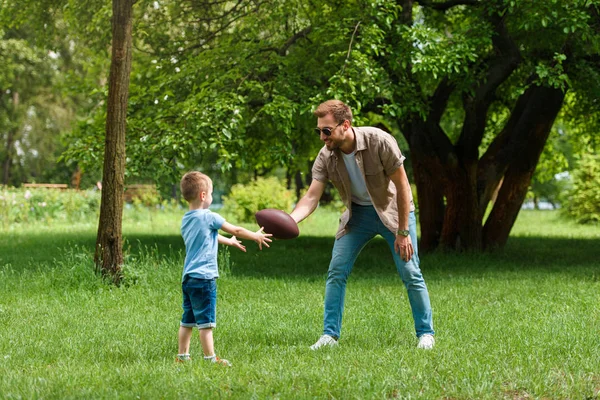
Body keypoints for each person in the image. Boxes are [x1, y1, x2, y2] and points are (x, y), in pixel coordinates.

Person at [289, 100, 435, 350]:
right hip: (358, 217)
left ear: (345, 125)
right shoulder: (326, 155)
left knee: (410, 272)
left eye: (326, 130)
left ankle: (426, 334)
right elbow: (312, 196)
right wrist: (288, 221)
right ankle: (329, 336)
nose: (322, 137)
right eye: (319, 131)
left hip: (393, 214)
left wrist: (402, 232)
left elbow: (402, 186)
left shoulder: (379, 141)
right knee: (336, 271)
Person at [177, 171, 272, 365]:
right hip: (204, 278)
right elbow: (236, 229)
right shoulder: (210, 217)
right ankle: (210, 358)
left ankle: (182, 356)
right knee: (206, 323)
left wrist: (228, 242)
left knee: (188, 320)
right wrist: (255, 236)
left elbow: (207, 236)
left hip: (188, 278)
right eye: (211, 193)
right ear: (203, 195)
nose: (211, 197)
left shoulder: (187, 219)